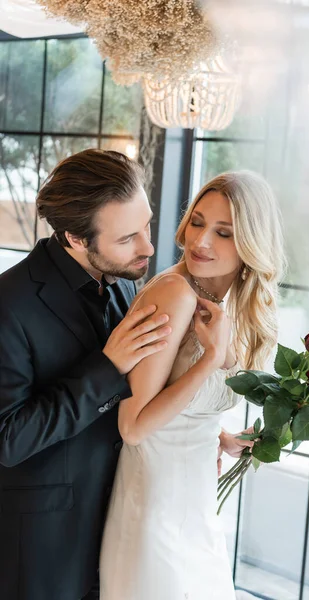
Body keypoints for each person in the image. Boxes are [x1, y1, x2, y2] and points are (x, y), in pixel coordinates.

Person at [0, 149, 250, 600]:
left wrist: (205, 433)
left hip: (128, 524)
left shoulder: (129, 283)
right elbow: (7, 439)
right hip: (47, 545)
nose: (149, 248)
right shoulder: (9, 304)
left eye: (148, 225)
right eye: (128, 238)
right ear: (76, 237)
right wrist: (107, 367)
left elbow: (140, 396)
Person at [100, 170, 285, 600]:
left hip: (196, 507)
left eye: (224, 232)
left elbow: (175, 404)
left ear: (252, 244)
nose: (201, 242)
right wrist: (211, 363)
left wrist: (220, 437)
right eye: (198, 222)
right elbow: (133, 427)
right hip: (154, 512)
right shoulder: (175, 294)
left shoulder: (229, 303)